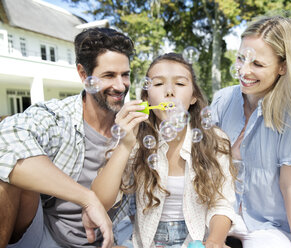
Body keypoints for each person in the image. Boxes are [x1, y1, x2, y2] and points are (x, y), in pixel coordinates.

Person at [0, 27, 135, 248]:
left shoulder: (132, 125)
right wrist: (86, 198)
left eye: (125, 75)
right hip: (48, 235)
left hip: (109, 239)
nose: (120, 86)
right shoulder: (57, 116)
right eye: (109, 75)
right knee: (5, 175)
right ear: (83, 74)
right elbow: (5, 138)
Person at [91, 53, 237, 248]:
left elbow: (221, 203)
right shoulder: (135, 139)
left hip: (196, 241)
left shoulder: (215, 140)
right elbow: (100, 202)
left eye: (180, 84)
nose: (169, 92)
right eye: (158, 84)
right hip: (145, 242)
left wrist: (214, 242)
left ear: (194, 96)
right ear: (147, 98)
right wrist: (125, 144)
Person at [211, 15, 291, 248]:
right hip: (219, 216)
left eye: (257, 64)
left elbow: (289, 184)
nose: (244, 71)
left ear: (283, 66)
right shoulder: (222, 100)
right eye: (241, 59)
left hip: (267, 226)